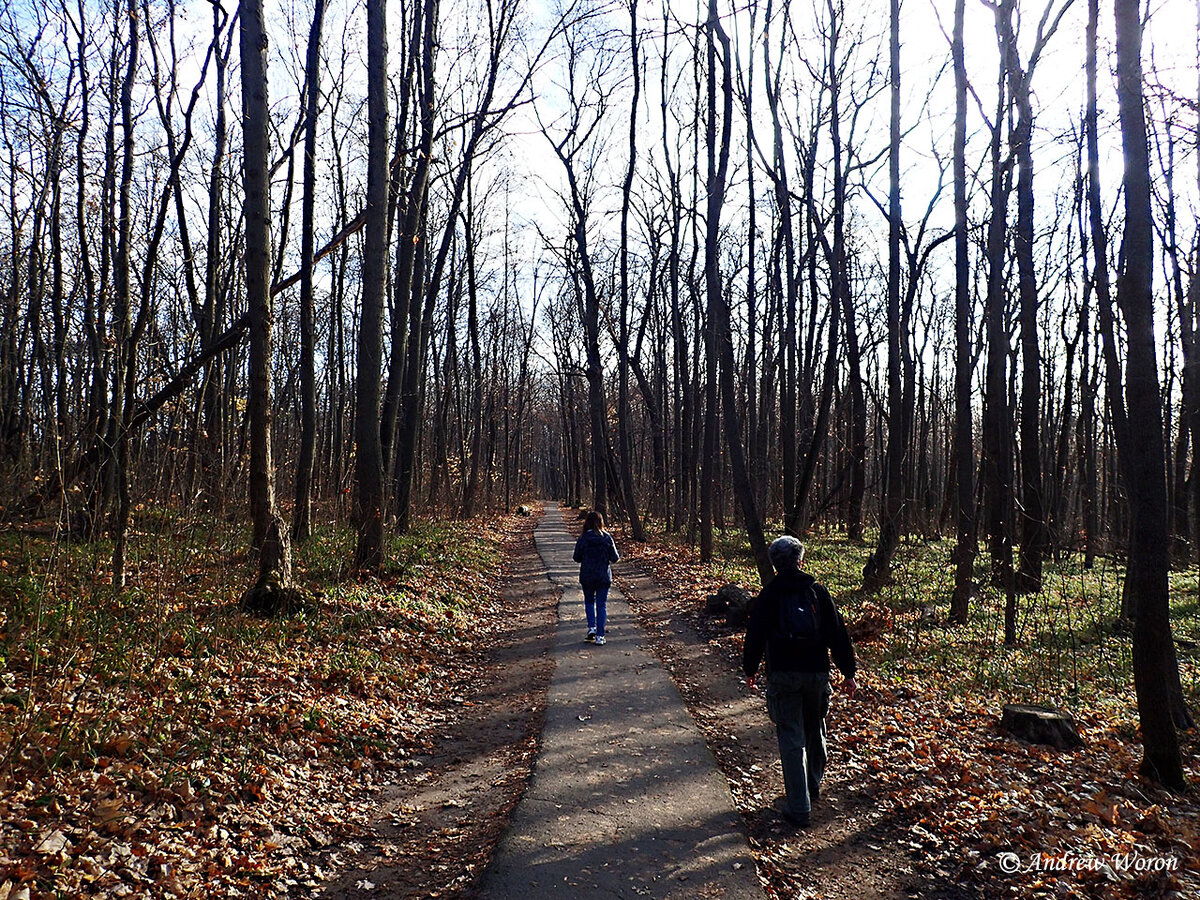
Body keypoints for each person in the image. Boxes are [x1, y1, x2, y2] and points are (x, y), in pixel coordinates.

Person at [743, 535, 857, 828]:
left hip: (783, 675)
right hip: (817, 674)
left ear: (775, 565)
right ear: (800, 560)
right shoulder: (818, 591)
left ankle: (799, 806)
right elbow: (837, 633)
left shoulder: (769, 594)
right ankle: (812, 786)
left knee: (792, 736)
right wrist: (848, 672)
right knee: (815, 728)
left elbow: (755, 634)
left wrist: (750, 668)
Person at [572, 510, 619, 646]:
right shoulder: (607, 538)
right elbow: (615, 558)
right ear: (601, 522)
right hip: (603, 576)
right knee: (601, 604)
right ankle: (600, 636)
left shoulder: (583, 538)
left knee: (589, 602)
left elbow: (576, 558)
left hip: (587, 576)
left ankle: (591, 628)